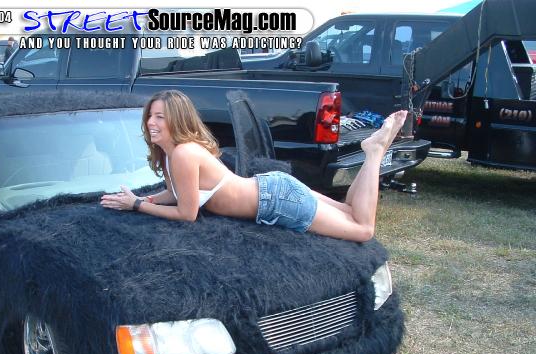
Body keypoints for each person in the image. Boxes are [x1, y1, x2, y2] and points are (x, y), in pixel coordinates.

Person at [100, 90, 407, 242]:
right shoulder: (171, 155)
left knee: (362, 229)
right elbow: (176, 193)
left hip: (276, 201)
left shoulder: (183, 153)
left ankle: (374, 152)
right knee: (350, 211)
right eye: (150, 116)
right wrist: (145, 199)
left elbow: (186, 214)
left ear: (177, 120)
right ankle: (373, 151)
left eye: (160, 117)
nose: (151, 123)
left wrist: (138, 206)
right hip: (272, 189)